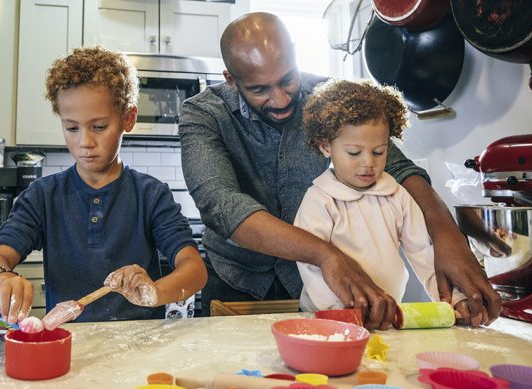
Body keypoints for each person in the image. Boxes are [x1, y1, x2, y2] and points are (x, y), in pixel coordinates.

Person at [178, 12, 499, 328]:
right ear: (231, 80)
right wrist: (326, 255)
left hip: (323, 290)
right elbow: (221, 204)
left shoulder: (331, 97)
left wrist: (447, 233)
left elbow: (399, 167)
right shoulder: (203, 114)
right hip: (238, 283)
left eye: (287, 79)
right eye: (260, 90)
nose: (279, 100)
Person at [0, 47, 207, 324]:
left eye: (98, 127)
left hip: (142, 344)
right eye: (72, 128)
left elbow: (194, 269)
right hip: (71, 344)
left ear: (128, 118)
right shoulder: (42, 196)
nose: (85, 142)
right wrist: (2, 278)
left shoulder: (150, 194)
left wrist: (154, 292)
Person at [294, 79, 470, 323]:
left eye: (379, 151)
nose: (368, 162)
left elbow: (423, 251)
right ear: (326, 147)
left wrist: (452, 299)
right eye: (354, 153)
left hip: (384, 314)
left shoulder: (397, 195)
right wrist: (340, 310)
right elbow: (311, 264)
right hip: (327, 317)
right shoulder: (319, 200)